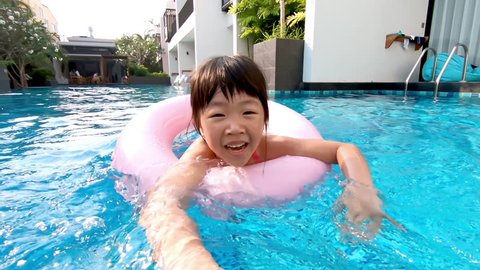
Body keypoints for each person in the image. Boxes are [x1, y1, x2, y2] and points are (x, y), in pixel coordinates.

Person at [139, 55, 404, 269]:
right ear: (199, 124)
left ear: (264, 117)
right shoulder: (199, 160)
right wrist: (188, 256)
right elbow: (164, 204)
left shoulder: (269, 146)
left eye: (248, 112)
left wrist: (361, 188)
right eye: (218, 115)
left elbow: (343, 149)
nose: (235, 127)